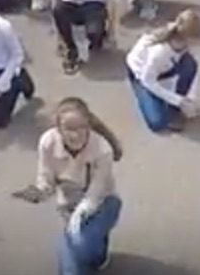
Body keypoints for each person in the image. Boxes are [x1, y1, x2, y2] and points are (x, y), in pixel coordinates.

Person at [18, 98, 128, 275]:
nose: (76, 135)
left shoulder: (102, 149)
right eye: (69, 129)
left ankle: (96, 247)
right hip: (68, 206)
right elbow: (46, 175)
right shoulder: (47, 142)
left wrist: (81, 212)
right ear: (58, 128)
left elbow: (96, 191)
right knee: (79, 256)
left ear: (88, 126)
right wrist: (40, 191)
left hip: (103, 203)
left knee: (78, 246)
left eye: (81, 128)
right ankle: (98, 252)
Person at [125, 10, 200, 132]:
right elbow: (148, 80)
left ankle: (177, 109)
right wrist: (178, 100)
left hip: (162, 69)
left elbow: (193, 68)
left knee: (190, 64)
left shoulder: (180, 38)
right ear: (189, 38)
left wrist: (190, 99)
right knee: (157, 123)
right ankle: (140, 90)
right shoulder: (160, 52)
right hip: (141, 75)